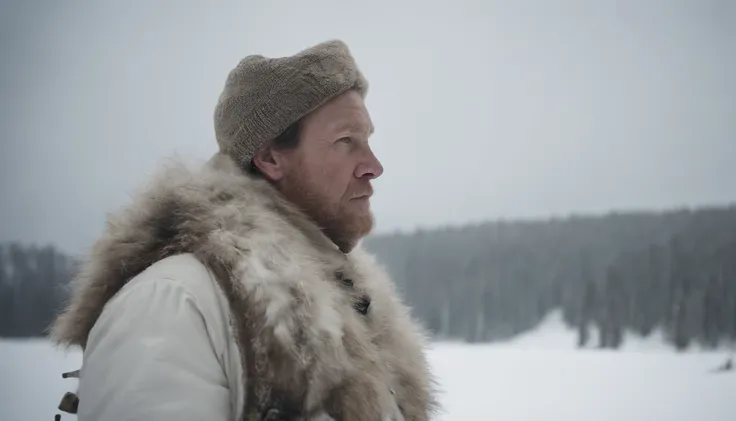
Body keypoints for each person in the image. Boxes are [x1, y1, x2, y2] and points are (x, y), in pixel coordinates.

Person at [50, 40, 439, 421]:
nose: (373, 165)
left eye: (367, 140)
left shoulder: (344, 303)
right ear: (270, 157)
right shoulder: (173, 302)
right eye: (345, 142)